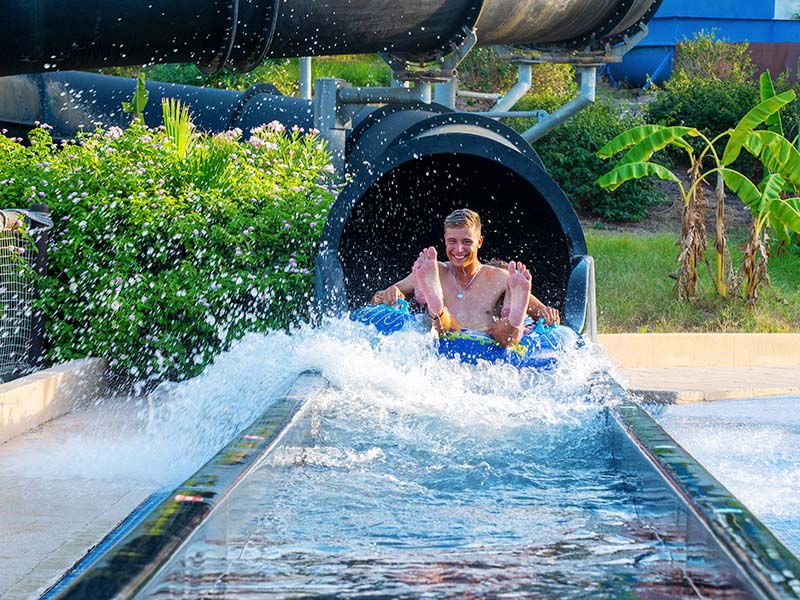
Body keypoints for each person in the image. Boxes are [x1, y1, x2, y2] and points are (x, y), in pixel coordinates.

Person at [369, 208, 560, 348]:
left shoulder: (501, 278)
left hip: (488, 342)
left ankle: (515, 318)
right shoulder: (432, 270)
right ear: (444, 239)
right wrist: (389, 294)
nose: (459, 250)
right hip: (442, 339)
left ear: (479, 241)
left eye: (466, 242)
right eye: (452, 241)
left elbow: (542, 312)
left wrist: (548, 313)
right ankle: (436, 304)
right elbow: (377, 298)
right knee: (442, 322)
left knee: (502, 333)